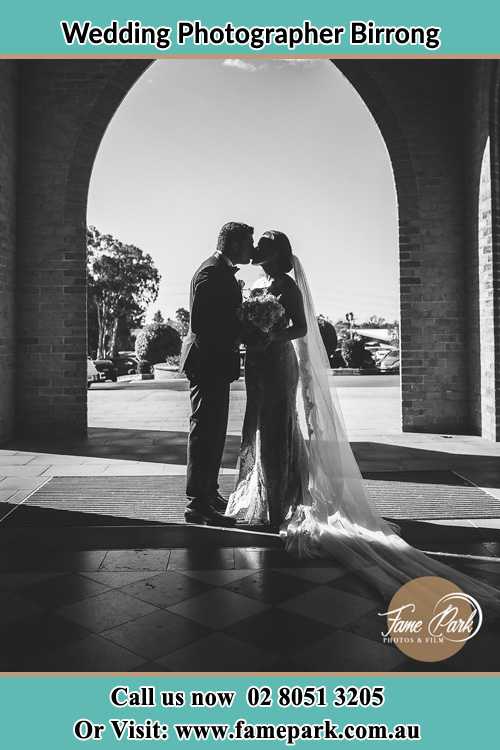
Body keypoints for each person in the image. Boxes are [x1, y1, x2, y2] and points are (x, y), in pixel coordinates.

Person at [226, 230, 500, 612]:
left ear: (276, 253)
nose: (256, 250)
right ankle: (272, 496)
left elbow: (302, 329)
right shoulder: (259, 283)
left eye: (263, 247)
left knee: (278, 429)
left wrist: (269, 335)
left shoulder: (286, 285)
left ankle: (279, 506)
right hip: (259, 364)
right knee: (261, 428)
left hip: (278, 362)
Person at [180, 221, 254, 526]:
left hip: (215, 364)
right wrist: (245, 329)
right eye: (248, 243)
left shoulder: (219, 271)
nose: (251, 249)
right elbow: (204, 324)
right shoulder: (211, 273)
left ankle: (209, 493)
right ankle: (197, 504)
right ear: (235, 244)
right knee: (205, 432)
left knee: (214, 432)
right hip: (207, 363)